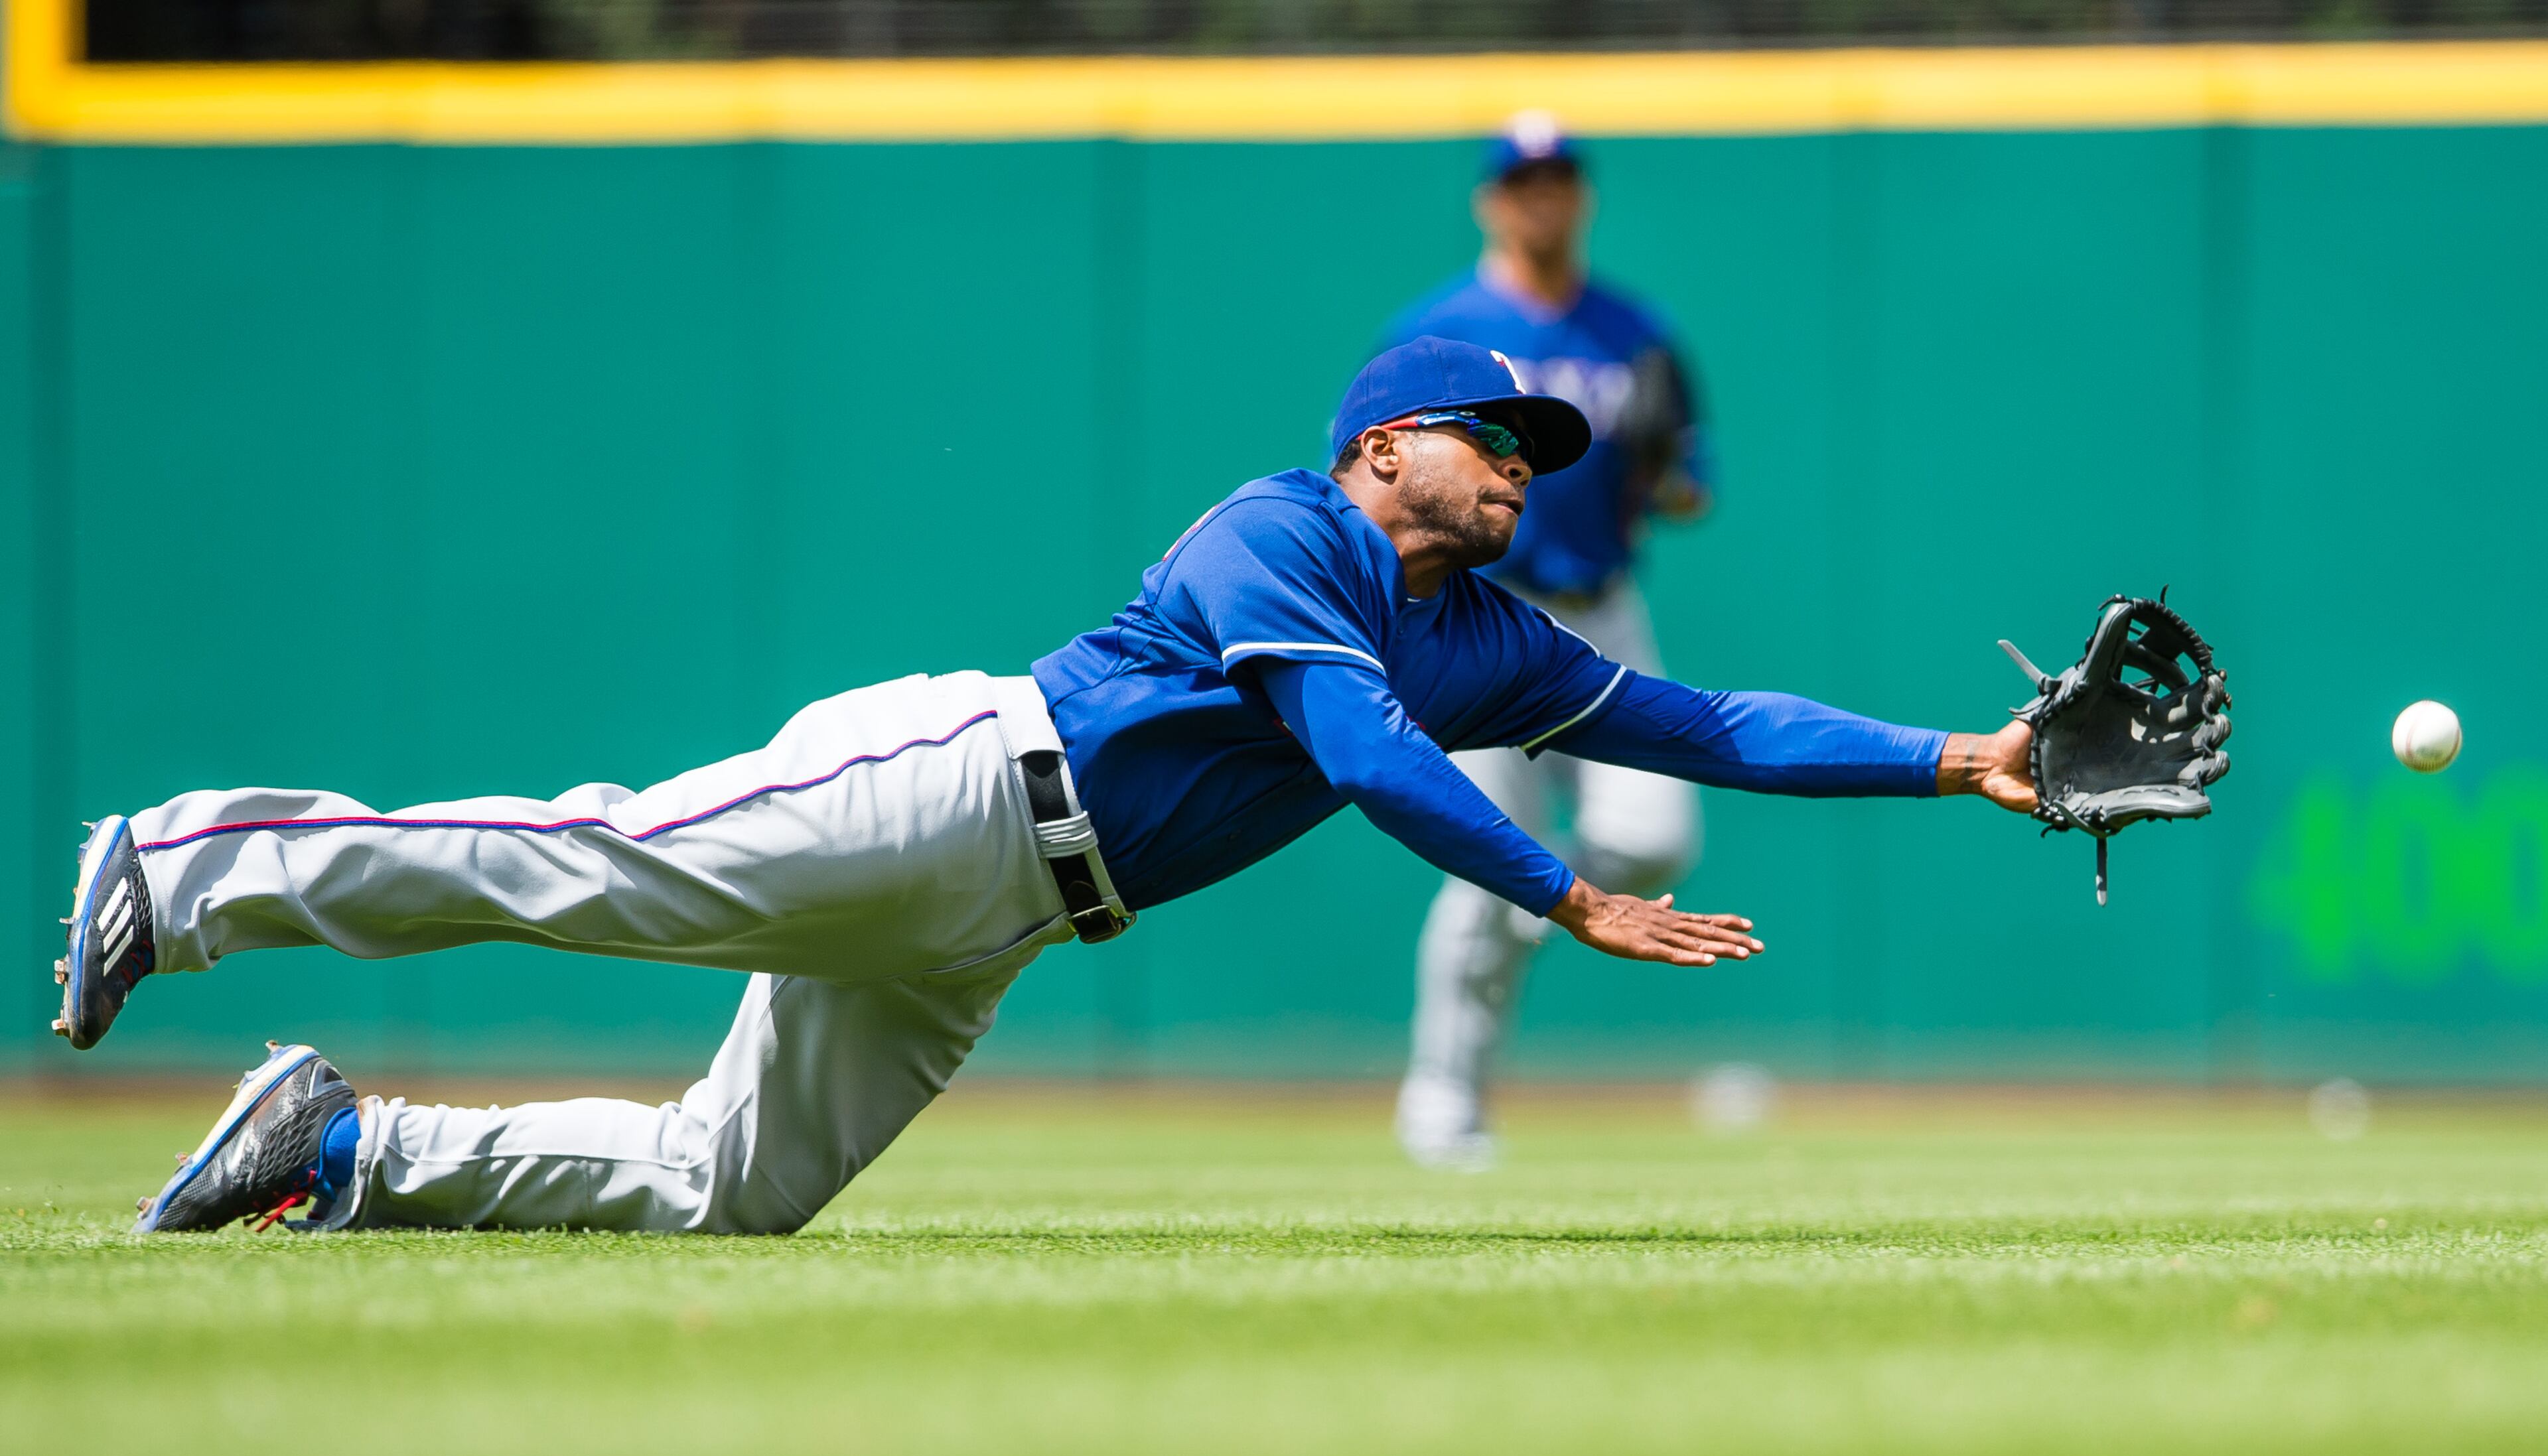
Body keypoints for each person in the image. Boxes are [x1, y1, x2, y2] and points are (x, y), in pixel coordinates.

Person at [61, 338, 2036, 1236]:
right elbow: (1356, 755)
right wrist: (1566, 895)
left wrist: (1967, 759)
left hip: (1011, 919)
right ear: (1377, 450)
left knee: (733, 1187)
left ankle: (339, 1150)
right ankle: (177, 865)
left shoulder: (1493, 634)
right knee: (600, 864)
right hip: (955, 784)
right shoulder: (1284, 531)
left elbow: (1713, 729)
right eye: (1484, 436)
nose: (1523, 463)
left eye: (1540, 447)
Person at [1376, 115, 1719, 1169]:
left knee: (1660, 837)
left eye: (1559, 179)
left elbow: (1687, 491)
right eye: (1522, 181)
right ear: (1490, 200)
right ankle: (1443, 1098)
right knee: (1484, 868)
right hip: (1479, 611)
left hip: (1600, 608)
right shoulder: (1438, 328)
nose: (1541, 197)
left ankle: (1544, 893)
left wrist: (1668, 468)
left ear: (1583, 196)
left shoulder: (1634, 330)